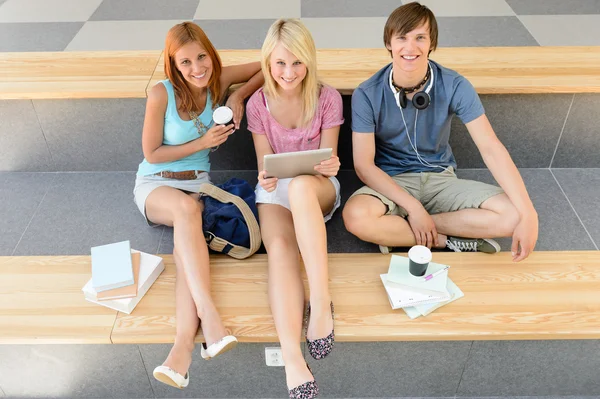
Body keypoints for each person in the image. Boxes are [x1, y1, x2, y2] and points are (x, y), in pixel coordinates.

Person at [342, 2, 538, 262]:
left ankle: (403, 232)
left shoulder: (455, 84)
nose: (410, 48)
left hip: (441, 179)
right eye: (402, 38)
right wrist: (412, 206)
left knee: (513, 215)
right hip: (393, 181)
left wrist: (530, 214)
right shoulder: (367, 93)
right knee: (356, 217)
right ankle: (448, 240)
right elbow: (364, 167)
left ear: (431, 43)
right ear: (389, 43)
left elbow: (491, 147)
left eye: (420, 38)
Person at [132, 21, 263, 389]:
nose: (197, 68)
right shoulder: (161, 94)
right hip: (156, 184)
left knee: (185, 237)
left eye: (201, 57)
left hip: (198, 186)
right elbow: (152, 154)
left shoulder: (216, 81)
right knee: (187, 212)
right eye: (185, 62)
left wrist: (237, 97)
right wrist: (204, 140)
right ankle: (210, 317)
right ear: (174, 65)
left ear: (211, 52)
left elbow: (265, 65)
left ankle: (181, 352)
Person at [245, 19, 344, 398]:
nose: (289, 73)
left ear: (309, 61)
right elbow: (263, 164)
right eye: (281, 63)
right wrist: (267, 179)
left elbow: (329, 158)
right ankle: (291, 357)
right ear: (268, 62)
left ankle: (320, 303)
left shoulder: (327, 97)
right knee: (281, 250)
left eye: (297, 63)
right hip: (276, 190)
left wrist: (330, 167)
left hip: (316, 187)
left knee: (302, 185)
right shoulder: (258, 105)